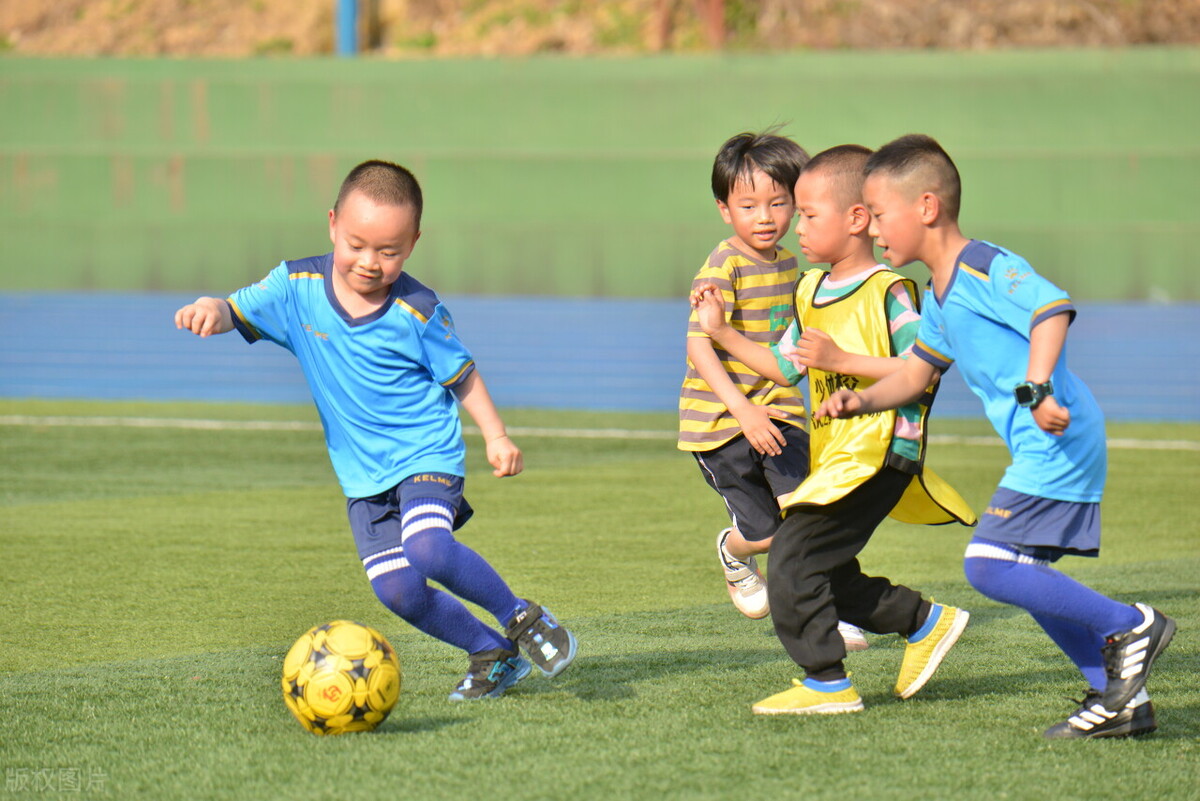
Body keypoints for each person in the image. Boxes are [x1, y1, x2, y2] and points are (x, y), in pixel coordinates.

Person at [174, 159, 577, 701]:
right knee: (398, 590)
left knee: (430, 548)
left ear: (412, 244)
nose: (370, 262)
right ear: (333, 224)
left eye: (388, 252)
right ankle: (490, 654)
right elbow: (234, 309)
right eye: (358, 244)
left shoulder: (417, 310)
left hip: (423, 455)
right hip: (362, 475)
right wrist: (208, 308)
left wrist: (496, 435)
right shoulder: (295, 286)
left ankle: (522, 618)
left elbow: (463, 376)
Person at [817, 134, 1175, 738]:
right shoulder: (937, 294)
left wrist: (1037, 389)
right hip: (1044, 442)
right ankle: (1117, 699)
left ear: (926, 207)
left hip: (1057, 435)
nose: (872, 230)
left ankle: (1129, 625)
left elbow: (1051, 309)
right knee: (1020, 569)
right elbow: (913, 374)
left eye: (879, 214)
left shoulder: (983, 265)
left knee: (988, 565)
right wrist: (858, 398)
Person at [694, 144, 976, 715]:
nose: (794, 225)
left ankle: (827, 681)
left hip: (881, 454)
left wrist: (843, 359)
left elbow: (923, 369)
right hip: (837, 460)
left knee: (791, 558)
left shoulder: (889, 290)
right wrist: (722, 334)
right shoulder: (808, 290)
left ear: (856, 220)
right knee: (819, 563)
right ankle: (921, 621)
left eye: (808, 213)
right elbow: (782, 365)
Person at [677, 131, 869, 648]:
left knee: (805, 519)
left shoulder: (791, 265)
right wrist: (744, 413)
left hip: (780, 414)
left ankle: (827, 614)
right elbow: (699, 347)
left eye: (778, 203)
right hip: (721, 424)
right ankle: (734, 553)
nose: (765, 216)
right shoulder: (723, 266)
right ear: (724, 210)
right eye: (748, 205)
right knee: (765, 535)